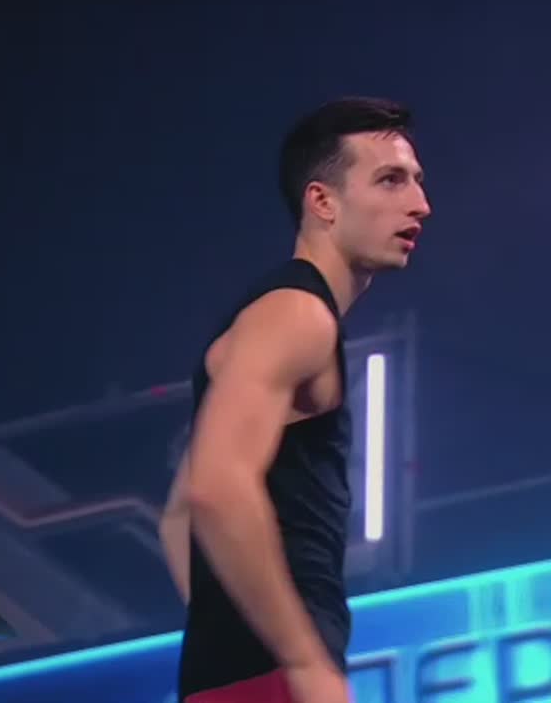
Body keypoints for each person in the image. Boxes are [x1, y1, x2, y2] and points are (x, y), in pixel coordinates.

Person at [159, 97, 431, 703]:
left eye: (417, 180)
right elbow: (214, 489)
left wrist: (233, 639)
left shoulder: (282, 313)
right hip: (273, 681)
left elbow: (178, 516)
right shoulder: (297, 315)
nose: (420, 203)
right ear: (322, 202)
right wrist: (302, 661)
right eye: (391, 180)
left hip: (234, 679)